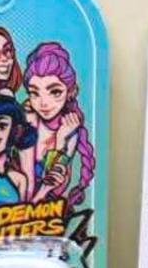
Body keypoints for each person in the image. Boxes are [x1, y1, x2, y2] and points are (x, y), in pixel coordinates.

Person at [21, 41, 95, 206]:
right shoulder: (28, 119)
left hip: (43, 207)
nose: (43, 103)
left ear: (70, 92)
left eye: (54, 92)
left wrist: (61, 139)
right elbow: (27, 186)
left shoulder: (69, 130)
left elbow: (55, 187)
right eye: (34, 93)